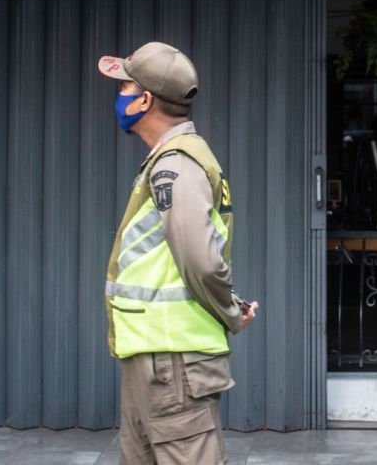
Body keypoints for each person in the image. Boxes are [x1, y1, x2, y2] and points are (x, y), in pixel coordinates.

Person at [99, 42, 258, 465]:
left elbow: (201, 261)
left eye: (125, 87)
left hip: (173, 362)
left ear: (146, 99)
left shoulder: (177, 166)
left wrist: (229, 312)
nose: (120, 97)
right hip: (154, 358)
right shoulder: (167, 162)